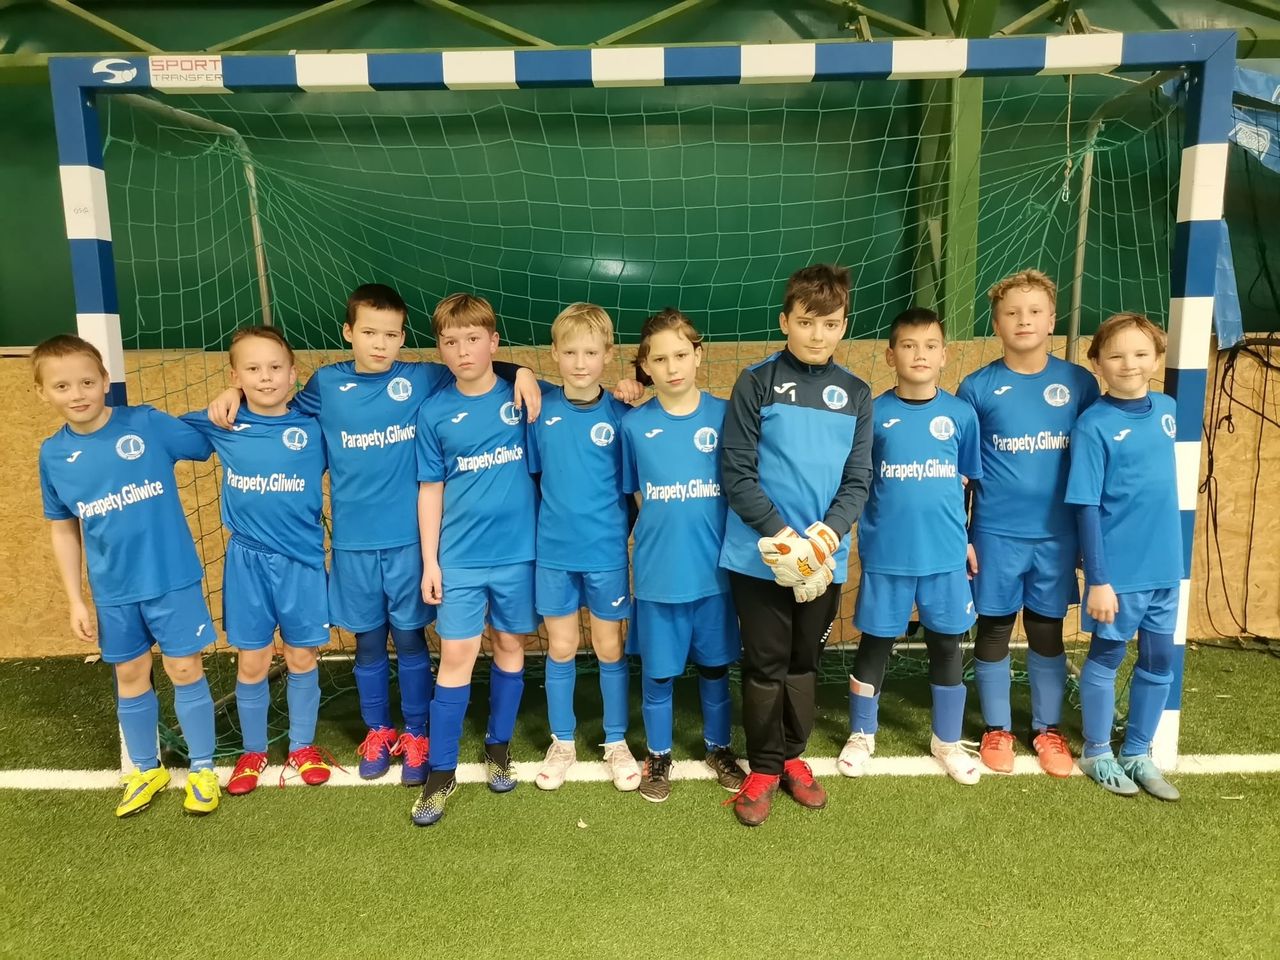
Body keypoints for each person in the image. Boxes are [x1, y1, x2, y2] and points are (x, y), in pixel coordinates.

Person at [209, 284, 540, 784]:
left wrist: (525, 371)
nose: (380, 343)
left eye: (390, 334)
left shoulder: (423, 378)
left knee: (410, 639)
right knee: (367, 643)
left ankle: (418, 733)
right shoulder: (325, 385)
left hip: (410, 544)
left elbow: (477, 365)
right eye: (368, 332)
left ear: (404, 337)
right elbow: (275, 402)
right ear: (348, 332)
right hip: (353, 545)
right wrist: (235, 391)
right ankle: (379, 730)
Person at [36, 335, 220, 816]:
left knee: (185, 669)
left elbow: (204, 439)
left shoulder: (145, 424)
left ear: (105, 380)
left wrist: (231, 396)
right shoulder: (53, 455)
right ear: (42, 393)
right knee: (130, 674)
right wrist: (76, 599)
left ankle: (203, 769)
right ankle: (145, 769)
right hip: (114, 592)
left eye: (87, 382)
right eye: (61, 386)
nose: (77, 393)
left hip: (171, 579)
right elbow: (63, 528)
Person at [718, 264, 873, 826]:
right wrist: (784, 539)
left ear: (843, 326)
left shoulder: (857, 393)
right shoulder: (756, 382)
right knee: (765, 663)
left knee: (805, 662)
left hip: (824, 560)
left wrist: (824, 539)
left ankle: (791, 757)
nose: (817, 334)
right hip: (760, 557)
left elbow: (858, 478)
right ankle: (762, 768)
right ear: (785, 321)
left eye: (830, 324)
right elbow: (736, 472)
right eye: (806, 322)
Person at [957, 269, 1099, 776]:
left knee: (1046, 629)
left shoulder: (1079, 384)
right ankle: (996, 729)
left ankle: (1048, 730)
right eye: (1012, 312)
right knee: (994, 627)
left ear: (1052, 320)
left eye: (1035, 311)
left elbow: (1093, 466)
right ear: (996, 323)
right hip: (994, 534)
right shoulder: (976, 387)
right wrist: (961, 536)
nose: (1024, 320)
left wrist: (1088, 537)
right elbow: (960, 473)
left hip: (1057, 537)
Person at [183, 326, 332, 794]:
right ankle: (253, 752)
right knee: (252, 661)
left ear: (293, 373)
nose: (265, 377)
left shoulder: (316, 425)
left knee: (301, 655)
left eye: (274, 368)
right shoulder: (222, 422)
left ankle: (302, 746)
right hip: (247, 563)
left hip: (301, 562)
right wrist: (228, 398)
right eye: (252, 369)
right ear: (235, 376)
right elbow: (159, 436)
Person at [840, 308, 984, 785]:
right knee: (876, 643)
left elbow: (970, 484)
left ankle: (947, 740)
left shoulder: (961, 415)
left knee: (946, 644)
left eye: (929, 346)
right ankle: (862, 734)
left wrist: (968, 539)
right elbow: (858, 482)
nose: (919, 354)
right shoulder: (874, 414)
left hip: (945, 556)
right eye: (908, 345)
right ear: (890, 356)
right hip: (888, 557)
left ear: (944, 355)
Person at [410, 294, 538, 826]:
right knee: (458, 654)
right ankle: (440, 773)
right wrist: (431, 562)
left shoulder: (524, 396)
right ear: (439, 348)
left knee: (510, 645)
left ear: (493, 342)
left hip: (520, 556)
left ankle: (498, 747)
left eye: (472, 339)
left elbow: (584, 392)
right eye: (450, 342)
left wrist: (523, 371)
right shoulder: (434, 412)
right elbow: (430, 489)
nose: (462, 351)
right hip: (459, 558)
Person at [620, 308, 746, 803]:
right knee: (658, 672)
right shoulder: (634, 426)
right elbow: (636, 496)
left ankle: (719, 748)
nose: (672, 367)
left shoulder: (726, 415)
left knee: (715, 669)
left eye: (680, 354)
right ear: (644, 367)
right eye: (659, 359)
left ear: (698, 355)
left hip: (716, 574)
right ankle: (658, 756)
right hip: (659, 575)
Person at [1066, 312, 1182, 801]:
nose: (1128, 364)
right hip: (1118, 573)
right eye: (1115, 355)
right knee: (1109, 655)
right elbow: (1086, 506)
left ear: (1157, 359)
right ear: (1097, 363)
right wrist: (1098, 579)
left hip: (1165, 568)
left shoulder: (1168, 409)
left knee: (1160, 657)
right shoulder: (1093, 424)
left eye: (1140, 354)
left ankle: (1137, 752)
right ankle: (1096, 751)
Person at [527, 303, 642, 792]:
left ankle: (616, 740)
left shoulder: (622, 415)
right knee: (561, 646)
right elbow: (535, 480)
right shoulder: (538, 411)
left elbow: (633, 490)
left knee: (609, 646)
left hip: (606, 554)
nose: (580, 362)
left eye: (591, 352)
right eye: (570, 352)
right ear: (554, 353)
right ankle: (563, 742)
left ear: (608, 355)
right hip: (553, 554)